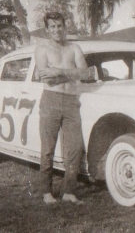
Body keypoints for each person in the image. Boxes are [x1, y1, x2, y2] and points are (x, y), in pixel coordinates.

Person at [35, 12, 94, 204]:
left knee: (75, 148)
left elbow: (85, 73)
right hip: (50, 100)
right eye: (52, 27)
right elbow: (47, 78)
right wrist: (71, 73)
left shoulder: (74, 47)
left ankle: (69, 191)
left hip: (71, 101)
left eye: (59, 26)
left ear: (64, 27)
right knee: (47, 149)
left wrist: (58, 71)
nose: (56, 30)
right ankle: (46, 192)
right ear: (47, 29)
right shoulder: (42, 49)